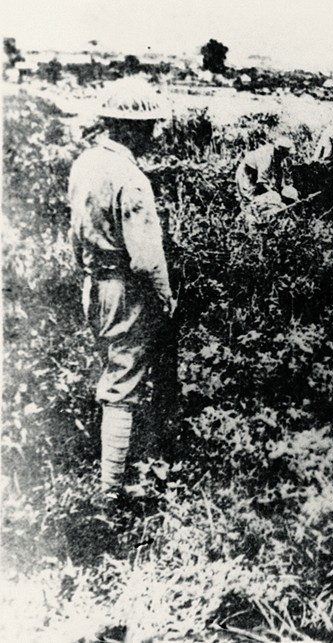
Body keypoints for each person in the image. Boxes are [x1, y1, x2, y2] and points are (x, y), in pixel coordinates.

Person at [67, 77, 175, 504]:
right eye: (148, 126)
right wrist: (165, 296)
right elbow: (146, 256)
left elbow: (75, 232)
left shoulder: (84, 164)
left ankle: (114, 475)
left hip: (92, 284)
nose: (152, 134)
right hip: (123, 288)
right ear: (131, 128)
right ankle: (110, 493)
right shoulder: (130, 177)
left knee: (111, 371)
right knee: (122, 384)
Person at [235, 135, 298, 225]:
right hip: (246, 175)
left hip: (255, 175)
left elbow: (280, 177)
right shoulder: (265, 156)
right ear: (280, 149)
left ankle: (262, 216)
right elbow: (261, 182)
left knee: (273, 197)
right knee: (251, 199)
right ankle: (244, 219)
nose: (286, 156)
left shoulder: (279, 158)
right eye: (285, 153)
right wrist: (274, 194)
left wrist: (288, 193)